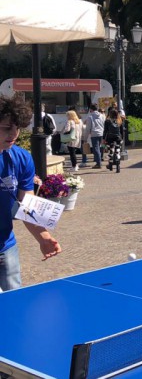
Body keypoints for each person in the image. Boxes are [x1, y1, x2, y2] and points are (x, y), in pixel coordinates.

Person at [0, 95, 61, 291]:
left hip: (5, 245)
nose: (14, 133)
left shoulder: (22, 158)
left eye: (17, 127)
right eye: (7, 128)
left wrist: (43, 237)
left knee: (12, 301)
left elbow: (27, 204)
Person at [103, 109, 123, 173]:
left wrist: (104, 139)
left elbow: (105, 131)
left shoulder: (107, 121)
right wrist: (121, 138)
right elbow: (121, 130)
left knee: (110, 150)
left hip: (110, 138)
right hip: (118, 138)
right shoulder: (119, 120)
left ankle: (110, 164)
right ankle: (118, 165)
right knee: (118, 150)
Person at [87, 104, 105, 168]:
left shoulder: (90, 117)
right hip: (102, 133)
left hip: (94, 134)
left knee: (96, 148)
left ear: (91, 109)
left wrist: (86, 136)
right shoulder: (102, 116)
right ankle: (99, 161)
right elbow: (104, 124)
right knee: (100, 147)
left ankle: (98, 163)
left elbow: (88, 127)